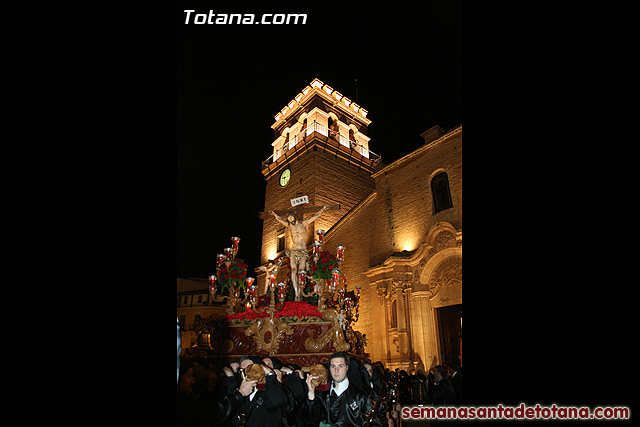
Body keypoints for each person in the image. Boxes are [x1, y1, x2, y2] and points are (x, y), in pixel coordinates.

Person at [304, 351, 382, 426]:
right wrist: (311, 393)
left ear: (347, 368)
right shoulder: (324, 396)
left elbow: (374, 422)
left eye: (340, 366)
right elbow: (312, 421)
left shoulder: (360, 396)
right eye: (333, 366)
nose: (336, 370)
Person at [269, 205, 328, 301]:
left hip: (303, 250)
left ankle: (301, 291)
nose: (290, 221)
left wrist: (323, 209)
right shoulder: (290, 226)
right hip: (294, 249)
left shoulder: (304, 223)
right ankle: (296, 292)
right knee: (293, 270)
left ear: (294, 217)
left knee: (301, 271)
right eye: (289, 220)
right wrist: (274, 214)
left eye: (291, 218)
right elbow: (280, 220)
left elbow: (315, 216)